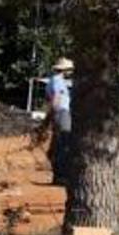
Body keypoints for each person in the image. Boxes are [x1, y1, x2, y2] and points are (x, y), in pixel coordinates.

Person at [44, 57, 74, 186]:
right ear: (65, 70)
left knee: (58, 143)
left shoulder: (55, 80)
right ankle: (62, 175)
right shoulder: (58, 81)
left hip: (59, 113)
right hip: (62, 113)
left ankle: (58, 174)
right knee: (64, 143)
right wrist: (53, 112)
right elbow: (56, 97)